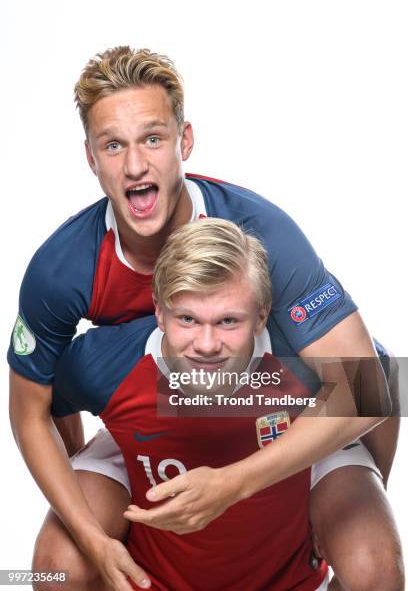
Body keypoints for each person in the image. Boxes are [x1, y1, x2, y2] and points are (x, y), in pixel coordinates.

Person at [7, 47, 402, 590]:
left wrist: (340, 495)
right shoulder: (64, 272)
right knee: (55, 568)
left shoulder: (264, 235)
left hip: (277, 405)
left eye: (152, 138)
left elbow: (371, 382)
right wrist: (91, 523)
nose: (136, 165)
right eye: (113, 145)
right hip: (155, 421)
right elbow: (35, 408)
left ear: (184, 141)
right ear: (91, 157)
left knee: (374, 562)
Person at [51, 218, 390, 590]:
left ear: (261, 316)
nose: (208, 344)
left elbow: (380, 381)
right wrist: (87, 476)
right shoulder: (109, 362)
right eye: (187, 319)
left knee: (377, 568)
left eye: (228, 320)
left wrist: (360, 484)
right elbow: (47, 403)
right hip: (154, 553)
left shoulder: (299, 357)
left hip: (290, 555)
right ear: (159, 312)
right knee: (55, 568)